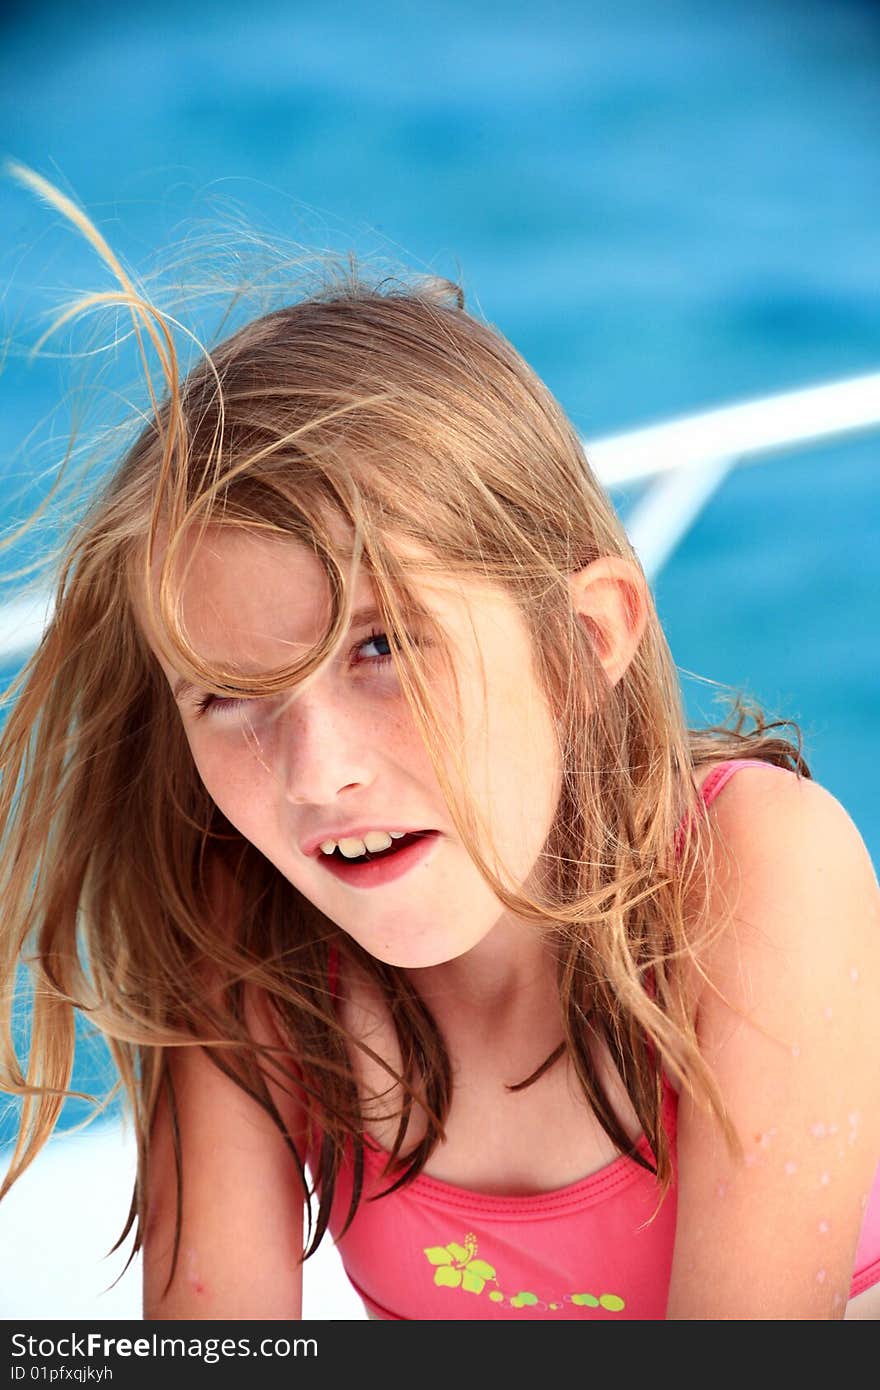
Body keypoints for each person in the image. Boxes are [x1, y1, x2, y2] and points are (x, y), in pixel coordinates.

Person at [1, 166, 878, 1323]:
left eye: (383, 649)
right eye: (226, 695)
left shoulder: (757, 869)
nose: (319, 772)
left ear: (581, 640)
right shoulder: (249, 942)